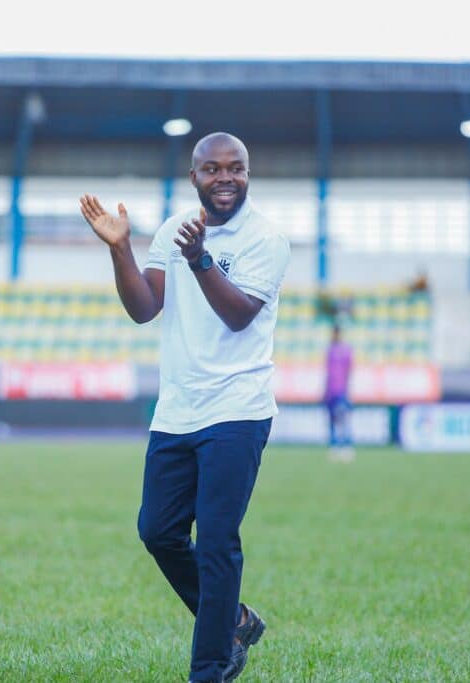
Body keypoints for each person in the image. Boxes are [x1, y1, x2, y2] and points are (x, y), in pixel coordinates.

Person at [79, 132, 290, 683]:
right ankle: (235, 621)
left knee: (218, 540)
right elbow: (145, 307)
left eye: (236, 168)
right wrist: (120, 248)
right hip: (178, 409)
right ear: (193, 176)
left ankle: (210, 669)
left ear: (249, 174)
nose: (226, 178)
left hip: (238, 410)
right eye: (213, 169)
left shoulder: (266, 239)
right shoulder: (174, 229)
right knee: (158, 531)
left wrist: (200, 261)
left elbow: (240, 314)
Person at [324, 324, 354, 462]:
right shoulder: (329, 350)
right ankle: (334, 446)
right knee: (331, 420)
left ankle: (347, 446)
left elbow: (349, 372)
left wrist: (347, 390)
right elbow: (327, 372)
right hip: (331, 391)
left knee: (343, 419)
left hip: (341, 390)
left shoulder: (346, 350)